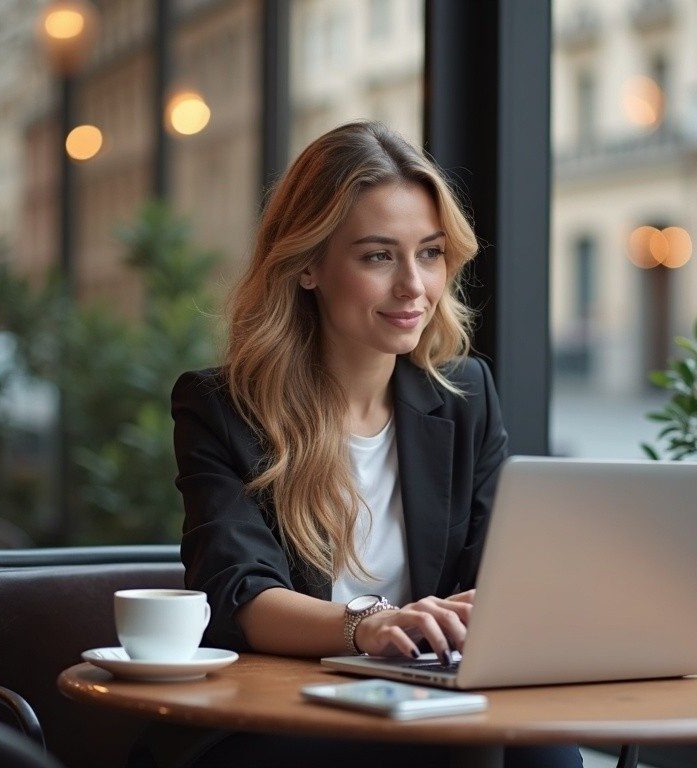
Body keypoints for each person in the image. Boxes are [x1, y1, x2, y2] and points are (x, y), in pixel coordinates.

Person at [162, 122, 582, 768]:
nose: (414, 286)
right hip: (279, 714)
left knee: (543, 747)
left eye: (431, 253)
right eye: (379, 256)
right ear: (308, 265)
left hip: (424, 699)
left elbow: (491, 578)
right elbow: (238, 593)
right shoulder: (223, 410)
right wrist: (369, 625)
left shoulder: (466, 397)